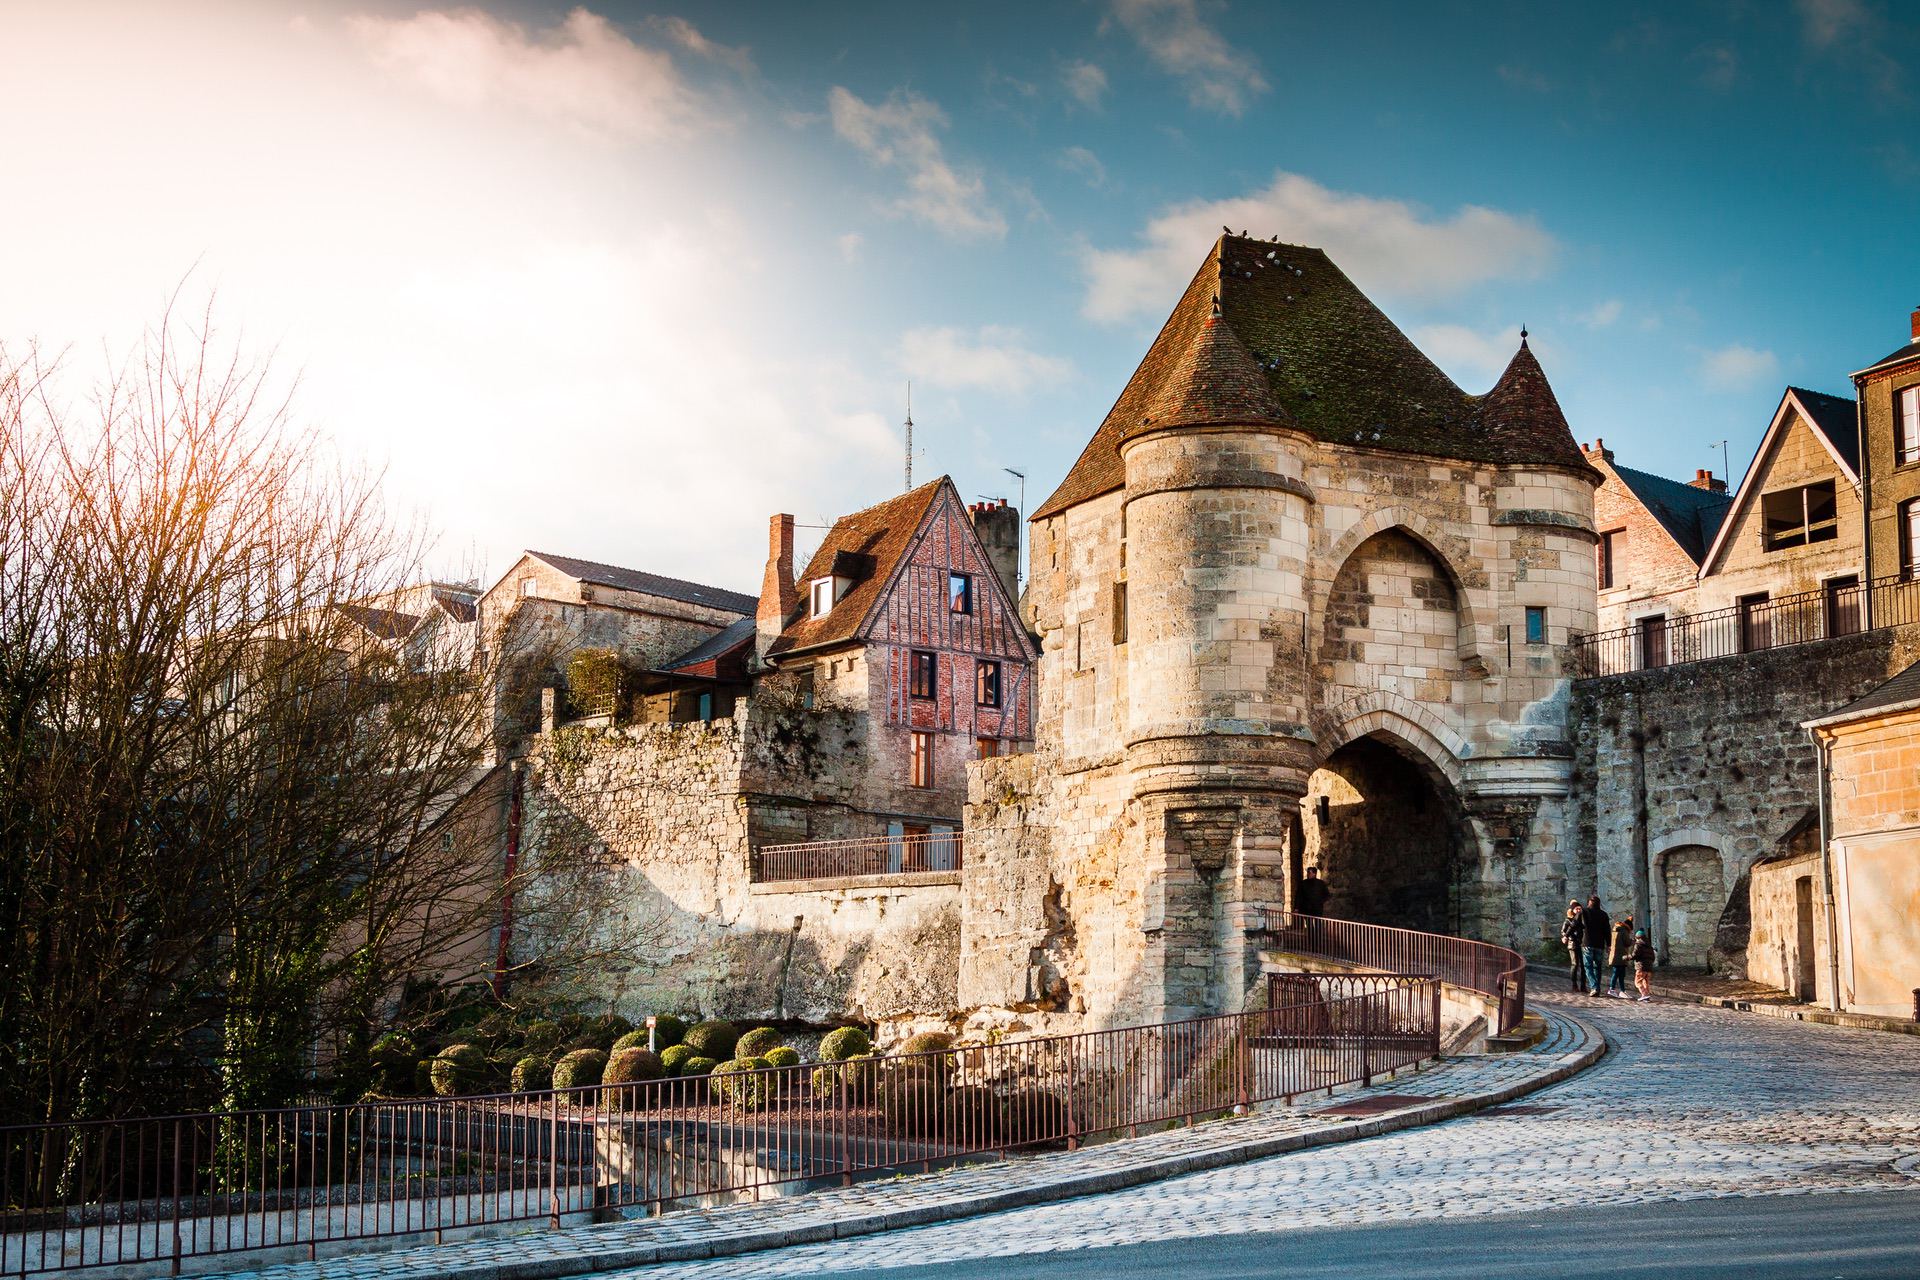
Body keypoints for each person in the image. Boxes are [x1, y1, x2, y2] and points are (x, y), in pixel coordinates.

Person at [1580, 895, 1612, 998]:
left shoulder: (1584, 912)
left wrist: (1566, 935)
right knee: (1597, 967)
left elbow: (1575, 924)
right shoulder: (1603, 914)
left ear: (1589, 903)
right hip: (1599, 944)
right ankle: (1597, 987)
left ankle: (1594, 987)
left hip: (1588, 943)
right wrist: (1609, 944)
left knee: (1588, 967)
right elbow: (1607, 931)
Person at [1559, 901, 1587, 993]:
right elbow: (1563, 931)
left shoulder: (1582, 920)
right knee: (1575, 964)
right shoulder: (1568, 920)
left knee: (1583, 966)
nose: (1578, 910)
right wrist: (1569, 937)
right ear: (1572, 910)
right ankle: (1574, 985)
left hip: (1581, 944)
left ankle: (1583, 985)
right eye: (1576, 908)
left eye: (1580, 908)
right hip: (1573, 944)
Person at [1607, 913, 1636, 997]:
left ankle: (1622, 991)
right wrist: (1632, 941)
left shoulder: (1615, 930)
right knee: (1618, 974)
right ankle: (1612, 989)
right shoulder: (1624, 931)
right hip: (1621, 955)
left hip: (1615, 956)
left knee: (1619, 973)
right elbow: (1627, 943)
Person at [1632, 930, 1658, 1002]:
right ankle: (1646, 997)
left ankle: (1644, 994)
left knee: (1638, 981)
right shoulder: (1649, 946)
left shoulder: (1638, 945)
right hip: (1649, 967)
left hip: (1641, 966)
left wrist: (1627, 957)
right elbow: (1653, 957)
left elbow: (1635, 955)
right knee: (1646, 981)